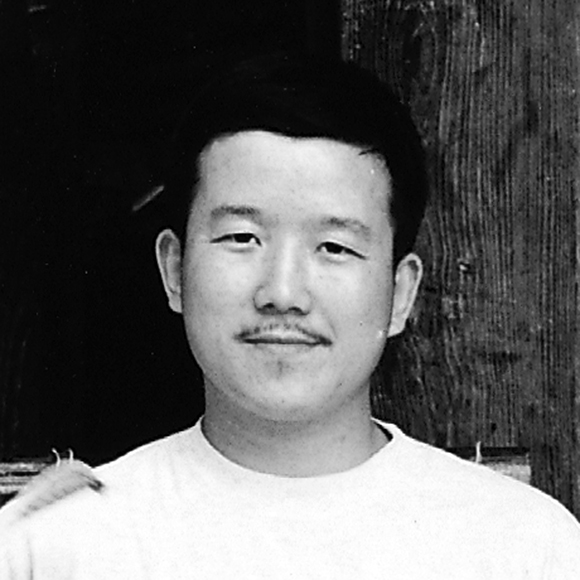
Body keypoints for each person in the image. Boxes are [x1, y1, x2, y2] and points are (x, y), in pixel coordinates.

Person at [1, 52, 580, 579]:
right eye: (241, 237)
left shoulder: (525, 547)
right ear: (174, 269)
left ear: (401, 293)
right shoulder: (55, 548)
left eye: (334, 247)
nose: (282, 292)